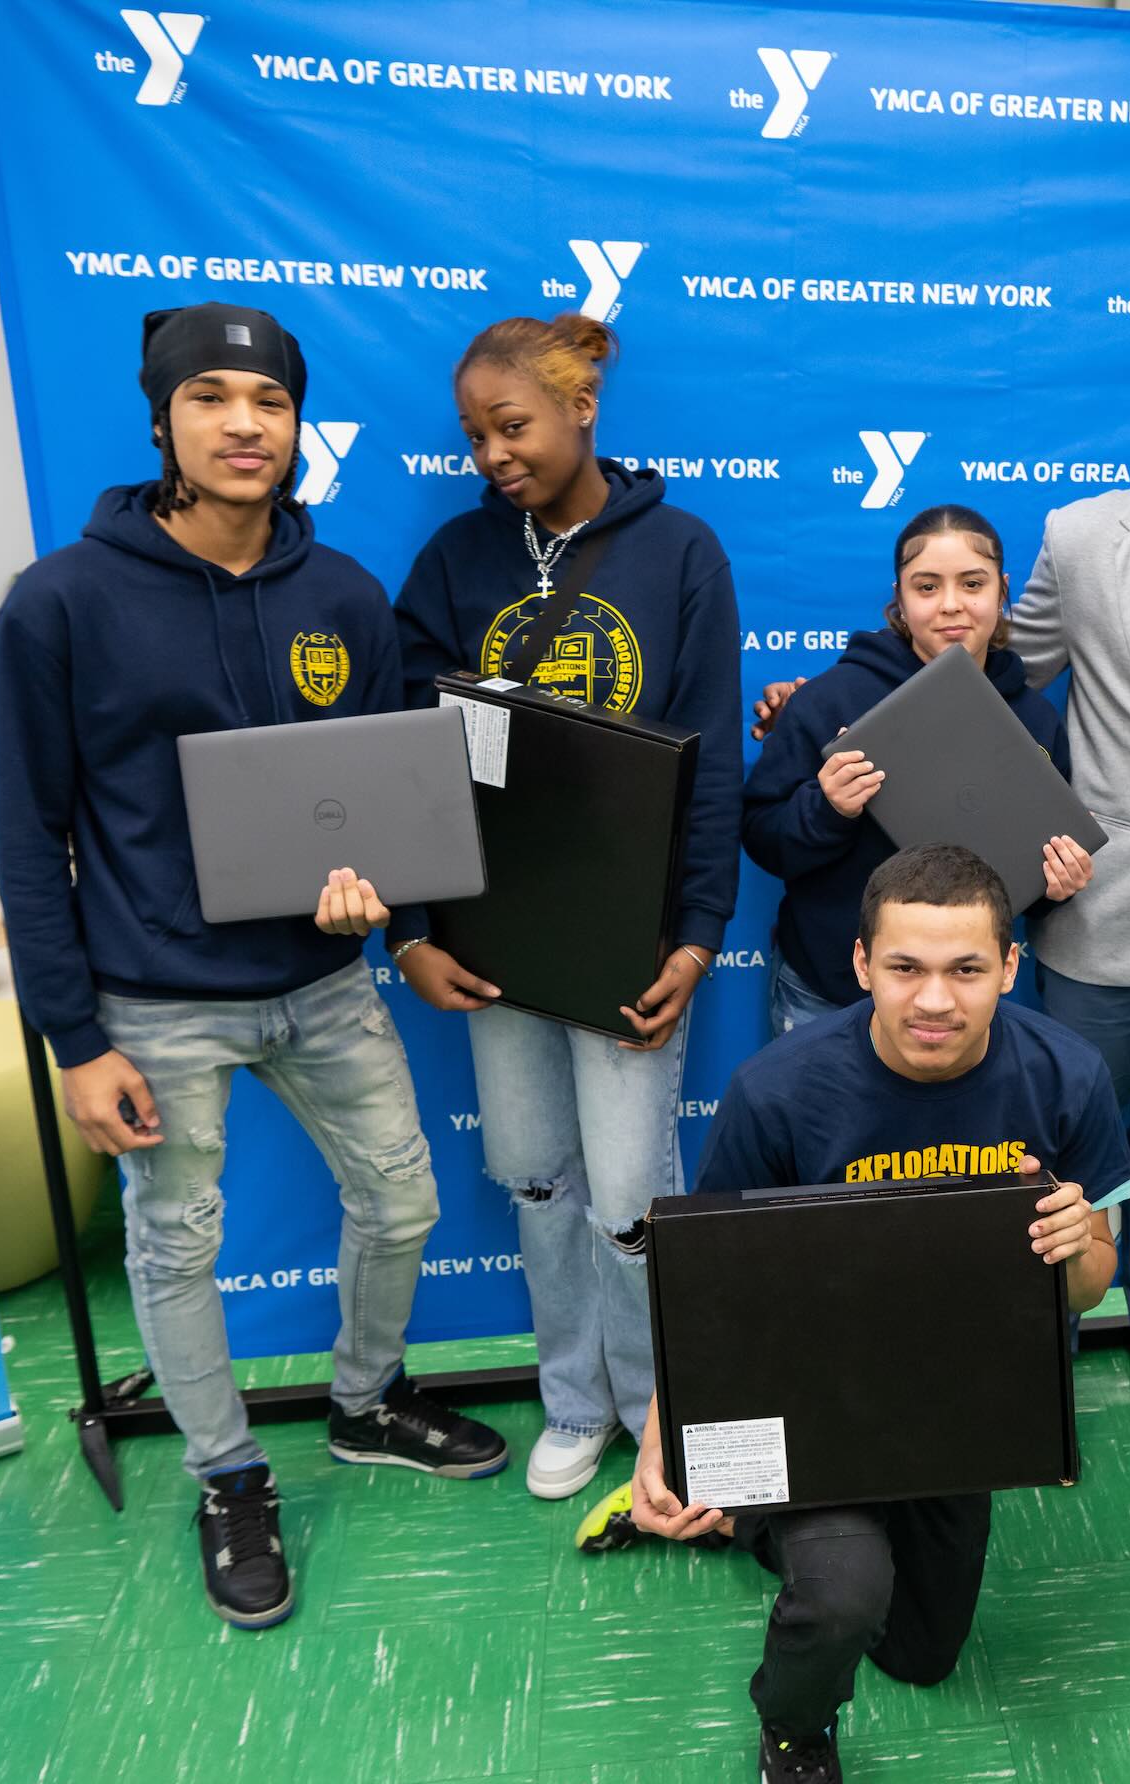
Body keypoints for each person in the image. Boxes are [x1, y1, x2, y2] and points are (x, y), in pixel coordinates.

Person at [0, 303, 507, 1630]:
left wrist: (399, 925)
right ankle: (226, 1473)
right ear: (162, 416)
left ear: (294, 425)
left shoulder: (341, 595)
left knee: (402, 1206)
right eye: (211, 397)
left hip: (325, 984)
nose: (242, 424)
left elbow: (382, 797)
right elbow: (29, 832)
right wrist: (74, 1041)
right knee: (174, 1251)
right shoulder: (58, 604)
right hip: (153, 1005)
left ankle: (362, 1402)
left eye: (267, 402)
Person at [755, 329, 1130, 1454]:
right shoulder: (1085, 541)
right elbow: (985, 663)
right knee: (1058, 1148)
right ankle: (1022, 1331)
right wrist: (830, 700)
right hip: (1098, 910)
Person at [627, 845, 1130, 1784]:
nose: (934, 999)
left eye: (963, 969)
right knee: (846, 1595)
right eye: (906, 968)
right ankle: (792, 1737)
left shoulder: (1067, 1079)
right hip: (806, 1395)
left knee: (924, 1655)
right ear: (860, 965)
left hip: (956, 1410)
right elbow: (712, 1290)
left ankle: (777, 1537)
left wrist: (1078, 1241)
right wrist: (663, 1432)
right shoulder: (779, 1091)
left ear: (1009, 966)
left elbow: (1091, 1288)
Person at [390, 313, 742, 1504]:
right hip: (493, 939)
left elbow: (711, 767)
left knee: (636, 1195)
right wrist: (416, 932)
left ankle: (657, 1410)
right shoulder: (452, 564)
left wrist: (695, 936)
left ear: (582, 409)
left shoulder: (681, 552)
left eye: (513, 425)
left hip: (627, 939)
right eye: (474, 435)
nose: (492, 453)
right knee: (538, 1175)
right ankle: (576, 1400)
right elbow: (404, 758)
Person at [742, 504, 1093, 1035]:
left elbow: (1029, 878)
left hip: (958, 1005)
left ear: (1002, 592)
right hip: (827, 993)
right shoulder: (832, 699)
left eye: (972, 584)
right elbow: (762, 836)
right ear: (900, 601)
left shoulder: (1034, 720)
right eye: (926, 587)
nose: (951, 606)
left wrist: (1057, 889)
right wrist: (828, 807)